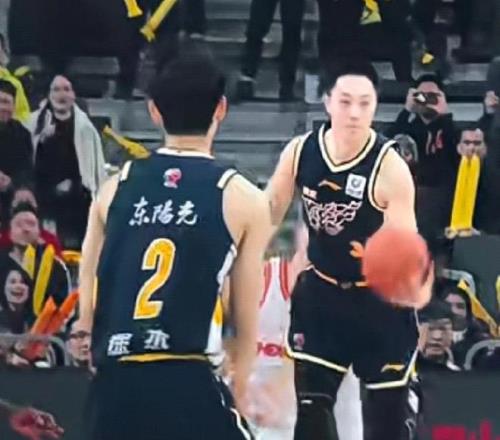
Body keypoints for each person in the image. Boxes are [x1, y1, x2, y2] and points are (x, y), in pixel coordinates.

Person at [78, 52, 270, 440]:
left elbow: (89, 284)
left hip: (115, 380)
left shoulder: (113, 188)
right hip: (186, 375)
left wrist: (88, 334)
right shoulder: (243, 197)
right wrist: (240, 382)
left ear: (154, 111)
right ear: (221, 109)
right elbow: (246, 319)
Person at [265, 61, 433, 439]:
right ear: (327, 102)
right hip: (323, 295)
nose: (355, 113)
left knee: (386, 422)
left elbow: (405, 242)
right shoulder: (301, 151)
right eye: (345, 102)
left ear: (376, 106)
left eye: (364, 103)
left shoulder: (390, 167)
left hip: (380, 302)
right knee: (312, 411)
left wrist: (390, 260)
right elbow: (268, 212)